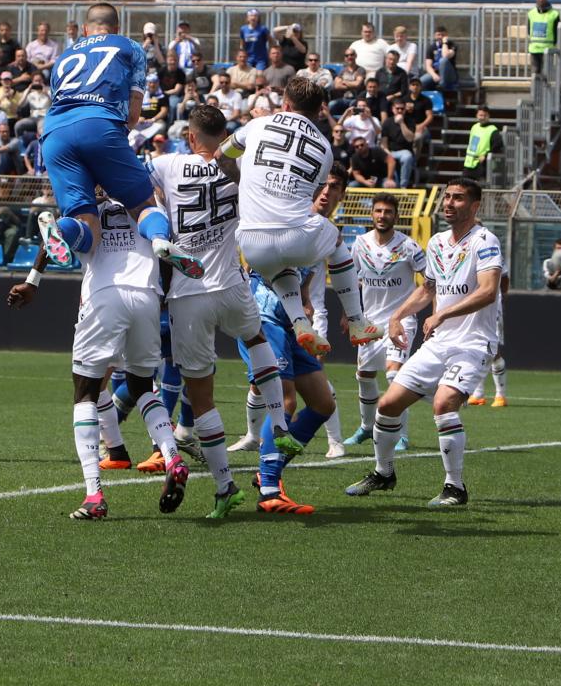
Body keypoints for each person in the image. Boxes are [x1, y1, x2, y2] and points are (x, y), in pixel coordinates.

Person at [146, 104, 295, 515]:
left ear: (190, 136)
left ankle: (226, 486)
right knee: (256, 338)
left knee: (201, 396)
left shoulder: (167, 164)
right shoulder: (241, 168)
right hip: (231, 282)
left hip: (188, 292)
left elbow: (134, 189)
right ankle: (279, 424)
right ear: (224, 135)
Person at [8, 194, 190, 521]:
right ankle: (172, 456)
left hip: (104, 295)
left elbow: (59, 238)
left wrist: (33, 280)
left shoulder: (87, 208)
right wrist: (161, 296)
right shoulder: (146, 204)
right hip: (147, 296)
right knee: (143, 387)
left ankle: (94, 494)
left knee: (86, 393)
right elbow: (165, 254)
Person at [346, 178, 502, 507]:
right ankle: (384, 473)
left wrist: (442, 314)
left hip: (473, 343)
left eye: (458, 198)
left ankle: (455, 488)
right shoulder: (437, 242)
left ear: (474, 206)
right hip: (439, 341)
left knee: (443, 404)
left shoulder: (485, 240)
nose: (449, 203)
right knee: (388, 405)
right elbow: (428, 288)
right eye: (447, 197)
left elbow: (488, 291)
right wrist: (397, 315)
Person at [218, 74, 383, 360]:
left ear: (285, 103)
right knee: (335, 240)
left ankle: (300, 322)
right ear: (320, 110)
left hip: (250, 243)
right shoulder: (325, 147)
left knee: (278, 267)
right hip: (295, 236)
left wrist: (245, 181)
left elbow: (221, 155)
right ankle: (357, 320)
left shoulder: (257, 125)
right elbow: (313, 194)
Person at [36, 3, 195, 276]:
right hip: (100, 125)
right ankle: (159, 240)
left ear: (84, 29)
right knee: (145, 206)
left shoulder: (63, 57)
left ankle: (61, 229)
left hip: (53, 133)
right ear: (117, 28)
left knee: (88, 228)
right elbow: (132, 115)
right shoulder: (130, 47)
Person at [234, 166, 350, 512]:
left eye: (334, 187)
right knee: (285, 402)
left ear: (342, 195)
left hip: (290, 325)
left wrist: (306, 308)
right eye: (322, 186)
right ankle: (270, 490)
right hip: (263, 318)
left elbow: (302, 284)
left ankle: (268, 472)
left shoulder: (325, 232)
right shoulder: (289, 218)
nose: (326, 192)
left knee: (324, 404)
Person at [343, 192, 425, 452]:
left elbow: (430, 281)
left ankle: (401, 434)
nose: (382, 216)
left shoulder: (409, 246)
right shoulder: (360, 243)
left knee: (393, 373)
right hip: (369, 321)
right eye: (378, 211)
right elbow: (350, 279)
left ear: (396, 216)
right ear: (372, 214)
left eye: (388, 212)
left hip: (400, 320)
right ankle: (367, 428)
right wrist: (348, 313)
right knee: (364, 375)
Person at [468, 253, 510, 407]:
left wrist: (501, 296)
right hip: (471, 306)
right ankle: (478, 393)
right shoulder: (464, 252)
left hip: (491, 308)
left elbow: (504, 277)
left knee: (493, 350)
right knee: (474, 348)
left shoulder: (492, 251)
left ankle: (500, 395)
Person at [381, 100, 420, 188]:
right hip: (390, 151)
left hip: (405, 151)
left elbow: (410, 139)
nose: (399, 110)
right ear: (393, 109)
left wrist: (402, 123)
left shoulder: (410, 121)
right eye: (397, 108)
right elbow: (384, 143)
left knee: (407, 156)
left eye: (402, 109)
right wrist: (388, 154)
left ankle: (403, 186)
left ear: (405, 109)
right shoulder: (387, 122)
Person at [527, 0, 561, 74]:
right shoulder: (531, 13)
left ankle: (545, 83)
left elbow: (557, 32)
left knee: (547, 73)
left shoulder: (554, 14)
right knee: (535, 73)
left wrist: (554, 43)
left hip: (548, 48)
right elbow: (529, 30)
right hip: (534, 48)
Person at [462, 105, 500, 181]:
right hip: (469, 163)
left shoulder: (493, 130)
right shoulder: (474, 127)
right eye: (480, 115)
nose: (482, 117)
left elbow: (497, 146)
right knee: (465, 184)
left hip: (482, 164)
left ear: (488, 116)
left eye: (485, 115)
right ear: (477, 115)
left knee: (479, 185)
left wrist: (485, 156)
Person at [422, 24, 459, 99]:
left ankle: (441, 86)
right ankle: (428, 100)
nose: (440, 37)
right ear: (435, 36)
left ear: (446, 35)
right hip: (436, 73)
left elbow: (445, 55)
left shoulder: (452, 45)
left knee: (443, 60)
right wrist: (434, 75)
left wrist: (445, 43)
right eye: (438, 35)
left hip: (449, 75)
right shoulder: (431, 47)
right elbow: (428, 66)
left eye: (443, 35)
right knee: (420, 82)